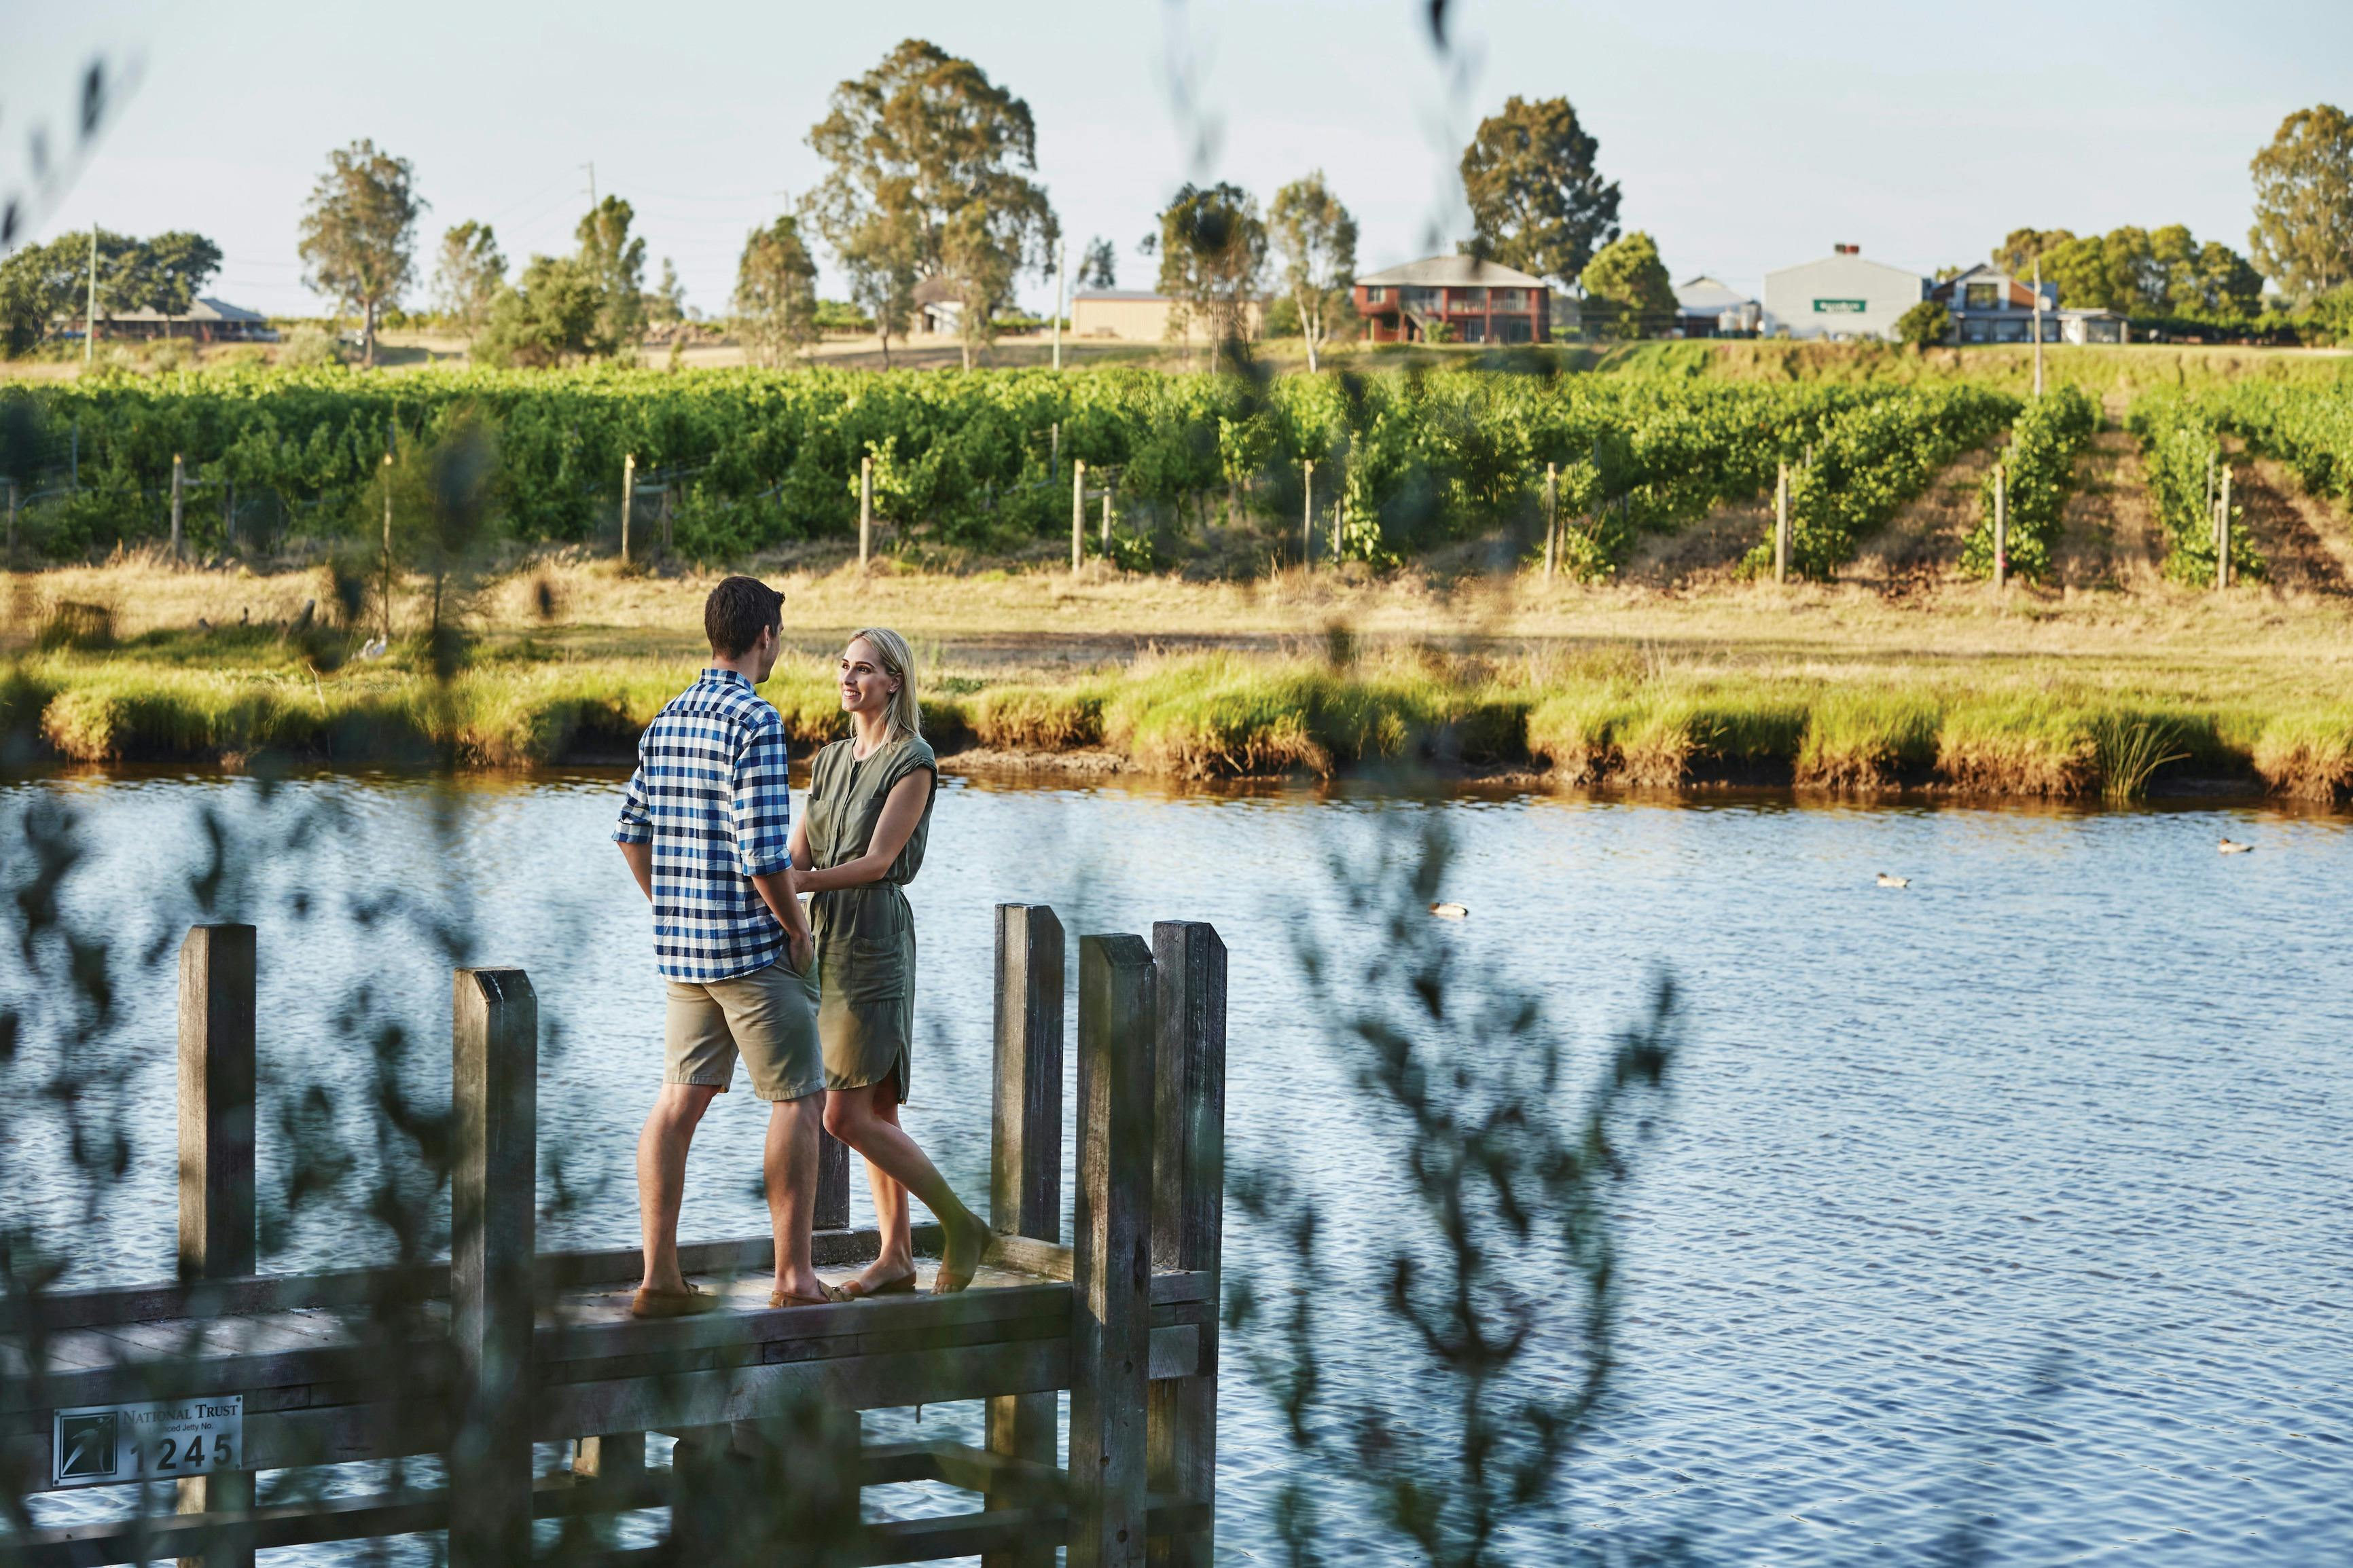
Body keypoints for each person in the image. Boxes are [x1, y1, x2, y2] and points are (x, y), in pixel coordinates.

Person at [613, 575, 842, 1317]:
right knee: (801, 1100)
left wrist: (671, 903)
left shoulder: (668, 717)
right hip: (749, 950)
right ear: (764, 636)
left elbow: (629, 832)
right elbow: (762, 856)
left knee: (676, 1103)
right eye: (778, 632)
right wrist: (797, 927)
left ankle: (658, 1277)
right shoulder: (756, 721)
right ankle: (795, 1276)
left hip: (684, 953)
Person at [792, 628, 989, 1296]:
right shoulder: (827, 762)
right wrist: (773, 888)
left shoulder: (914, 760)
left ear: (894, 682)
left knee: (843, 1116)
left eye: (865, 669)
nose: (849, 678)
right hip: (823, 942)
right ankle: (896, 1255)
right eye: (843, 666)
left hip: (873, 940)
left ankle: (962, 1226)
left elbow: (877, 862)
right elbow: (799, 855)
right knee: (874, 1106)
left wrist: (799, 885)